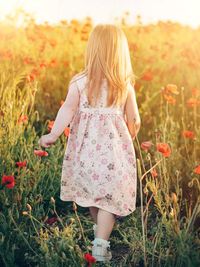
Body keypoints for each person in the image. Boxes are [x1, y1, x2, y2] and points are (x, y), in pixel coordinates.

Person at [38, 23, 141, 262]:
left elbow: (67, 109)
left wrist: (53, 135)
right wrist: (131, 134)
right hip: (114, 153)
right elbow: (134, 118)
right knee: (109, 198)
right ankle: (100, 244)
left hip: (85, 152)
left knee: (94, 195)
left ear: (92, 49)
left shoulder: (80, 81)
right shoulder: (123, 83)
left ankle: (99, 237)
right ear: (120, 52)